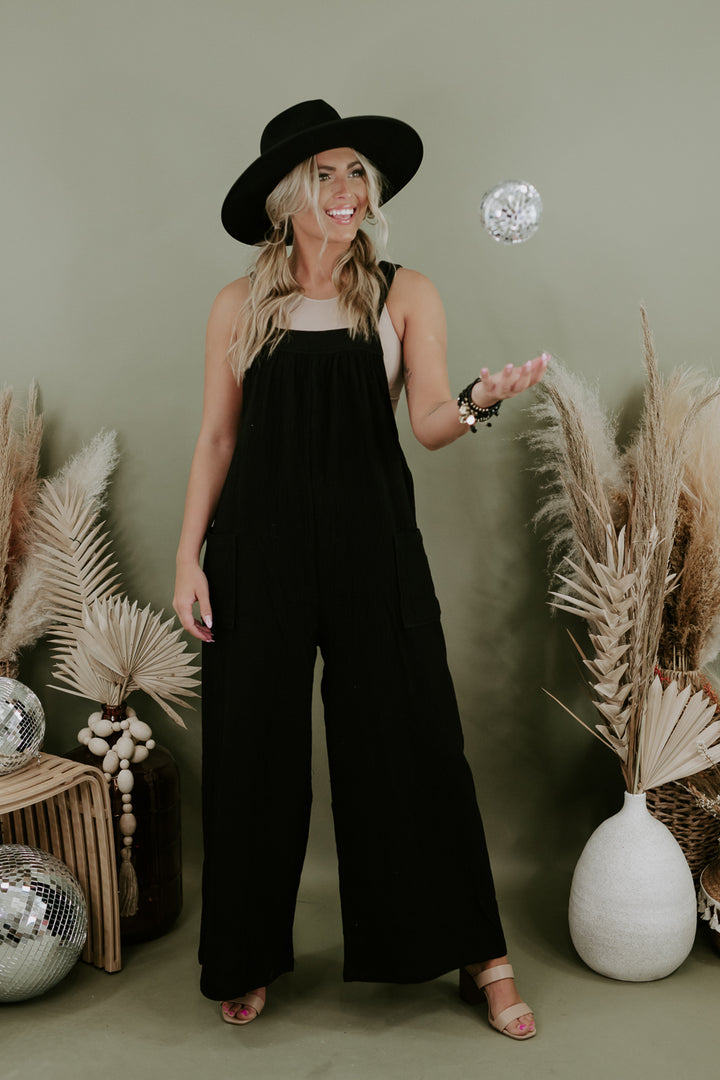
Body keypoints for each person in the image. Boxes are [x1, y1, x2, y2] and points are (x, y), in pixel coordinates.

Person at [173, 99, 548, 1041]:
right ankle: (245, 955)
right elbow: (217, 439)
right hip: (255, 553)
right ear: (286, 197)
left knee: (414, 738)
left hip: (373, 548)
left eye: (356, 174)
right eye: (325, 175)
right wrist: (188, 558)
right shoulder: (237, 305)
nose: (347, 191)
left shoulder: (404, 293)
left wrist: (480, 400)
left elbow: (429, 422)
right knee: (253, 754)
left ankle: (481, 956)